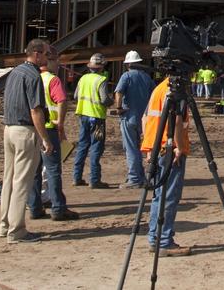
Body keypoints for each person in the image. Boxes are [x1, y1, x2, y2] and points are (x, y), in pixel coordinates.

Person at [0, 38, 53, 243]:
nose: (47, 59)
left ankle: (4, 225)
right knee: (22, 183)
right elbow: (36, 110)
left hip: (9, 129)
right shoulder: (33, 76)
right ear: (37, 53)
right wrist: (45, 138)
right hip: (25, 132)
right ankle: (17, 231)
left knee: (9, 180)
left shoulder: (15, 72)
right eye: (46, 54)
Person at [140, 72, 192, 255]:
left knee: (158, 195)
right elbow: (178, 121)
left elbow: (145, 119)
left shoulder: (158, 89)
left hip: (156, 148)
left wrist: (148, 148)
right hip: (169, 150)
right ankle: (164, 241)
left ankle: (155, 237)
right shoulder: (176, 92)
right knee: (169, 196)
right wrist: (177, 146)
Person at [27, 47, 78, 221]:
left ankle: (34, 207)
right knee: (53, 169)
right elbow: (62, 101)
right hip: (50, 128)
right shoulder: (52, 80)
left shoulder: (34, 78)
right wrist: (61, 123)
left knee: (34, 170)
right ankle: (58, 208)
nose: (58, 64)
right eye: (56, 61)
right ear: (48, 61)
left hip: (35, 129)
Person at [114, 50, 155, 188]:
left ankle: (134, 179)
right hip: (144, 119)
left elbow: (119, 92)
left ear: (128, 64)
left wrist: (119, 108)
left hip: (129, 116)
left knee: (131, 148)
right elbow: (154, 96)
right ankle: (141, 176)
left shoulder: (126, 76)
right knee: (141, 147)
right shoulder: (147, 78)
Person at [72, 52, 113, 189]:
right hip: (97, 118)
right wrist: (112, 102)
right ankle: (94, 180)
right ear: (101, 67)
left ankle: (76, 177)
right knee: (96, 147)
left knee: (83, 145)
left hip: (83, 116)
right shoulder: (101, 80)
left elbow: (76, 96)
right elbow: (104, 99)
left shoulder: (83, 78)